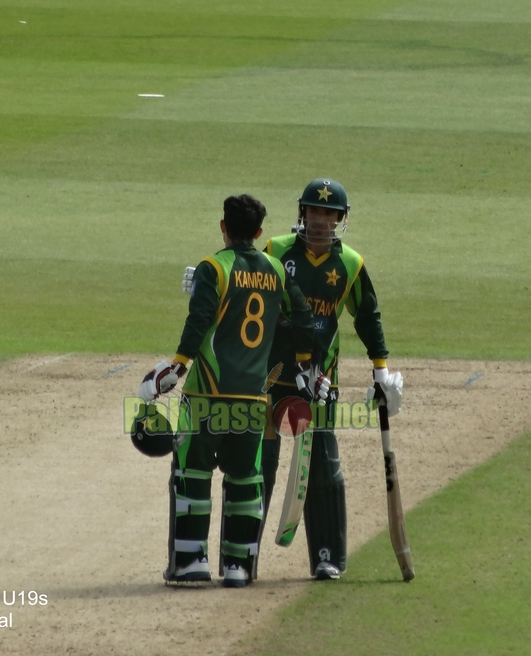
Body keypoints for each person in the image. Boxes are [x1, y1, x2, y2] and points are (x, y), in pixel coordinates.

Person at [137, 195, 320, 588]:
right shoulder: (275, 269)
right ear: (258, 232)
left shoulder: (213, 268)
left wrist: (177, 366)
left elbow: (199, 320)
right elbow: (303, 316)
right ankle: (238, 566)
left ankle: (190, 561)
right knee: (245, 479)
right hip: (253, 400)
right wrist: (305, 364)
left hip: (205, 395)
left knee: (192, 473)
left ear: (223, 226)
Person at [259, 179, 403, 581]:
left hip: (322, 379)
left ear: (340, 218)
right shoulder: (276, 250)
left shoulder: (351, 264)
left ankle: (327, 556)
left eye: (329, 213)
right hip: (271, 376)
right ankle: (244, 555)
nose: (320, 220)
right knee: (260, 462)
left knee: (322, 463)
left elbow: (367, 317)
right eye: (314, 211)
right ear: (302, 213)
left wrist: (382, 373)